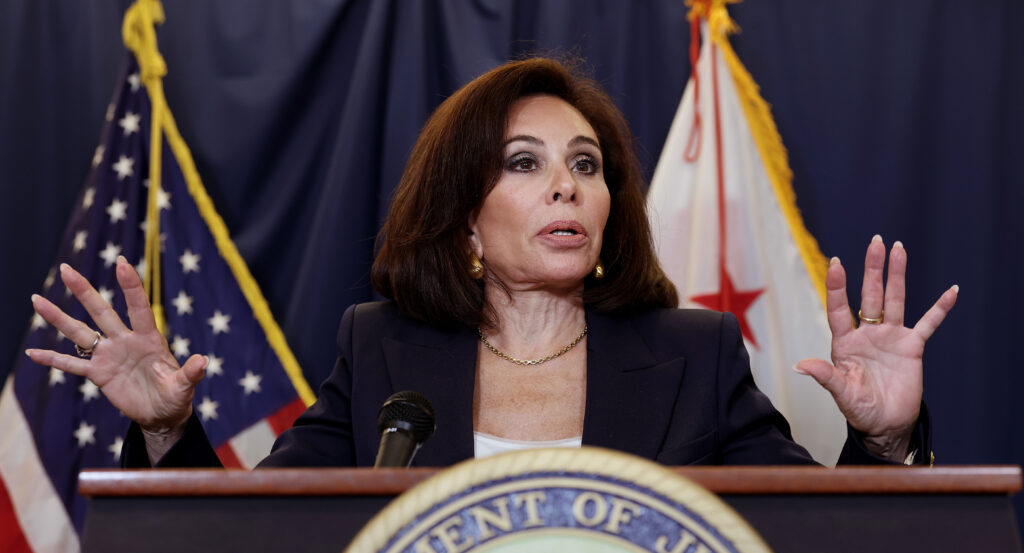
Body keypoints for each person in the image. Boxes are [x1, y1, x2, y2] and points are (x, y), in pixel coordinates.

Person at [26, 57, 957, 468]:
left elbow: (814, 536)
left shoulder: (697, 352)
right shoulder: (384, 349)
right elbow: (268, 533)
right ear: (465, 223)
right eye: (526, 164)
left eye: (586, 166)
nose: (567, 187)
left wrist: (882, 439)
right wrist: (165, 428)